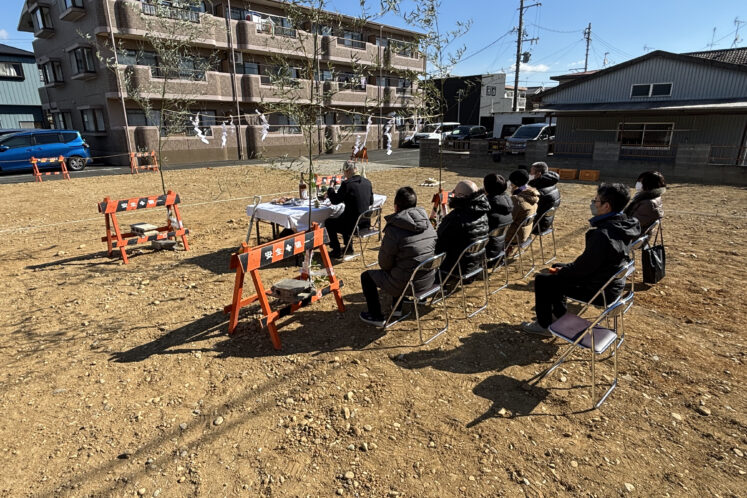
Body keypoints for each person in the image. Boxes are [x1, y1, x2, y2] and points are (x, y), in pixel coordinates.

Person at [522, 183, 641, 335]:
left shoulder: (603, 235)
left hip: (598, 289)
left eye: (596, 201)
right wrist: (563, 268)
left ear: (606, 206)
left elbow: (582, 270)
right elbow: (589, 263)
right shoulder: (625, 224)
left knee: (543, 281)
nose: (593, 203)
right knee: (556, 268)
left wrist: (563, 271)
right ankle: (559, 315)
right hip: (611, 281)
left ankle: (544, 325)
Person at [359, 187, 437, 326]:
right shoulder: (428, 224)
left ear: (396, 206)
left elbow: (384, 263)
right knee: (404, 263)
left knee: (367, 276)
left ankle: (375, 315)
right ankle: (397, 308)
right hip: (427, 279)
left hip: (406, 283)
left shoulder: (394, 229)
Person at [435, 180, 490, 278]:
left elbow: (438, 244)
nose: (452, 194)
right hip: (476, 264)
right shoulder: (483, 213)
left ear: (460, 196)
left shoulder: (456, 218)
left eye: (454, 192)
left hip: (457, 268)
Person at [325, 160, 373, 258]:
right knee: (345, 215)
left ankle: (336, 250)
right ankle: (349, 248)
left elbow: (334, 200)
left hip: (353, 225)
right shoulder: (367, 182)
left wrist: (330, 188)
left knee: (329, 222)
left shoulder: (347, 184)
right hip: (365, 223)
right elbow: (371, 201)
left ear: (347, 171)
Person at [504, 169, 540, 248]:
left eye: (511, 182)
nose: (510, 185)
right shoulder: (532, 195)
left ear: (514, 184)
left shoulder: (517, 200)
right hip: (525, 233)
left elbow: (507, 220)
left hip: (514, 237)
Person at [483, 173, 513, 260]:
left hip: (485, 250)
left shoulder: (487, 207)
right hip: (499, 248)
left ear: (487, 187)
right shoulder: (507, 202)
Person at [528, 161, 561, 233]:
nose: (530, 174)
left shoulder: (539, 191)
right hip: (546, 222)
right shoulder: (551, 184)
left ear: (538, 174)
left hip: (537, 225)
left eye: (531, 172)